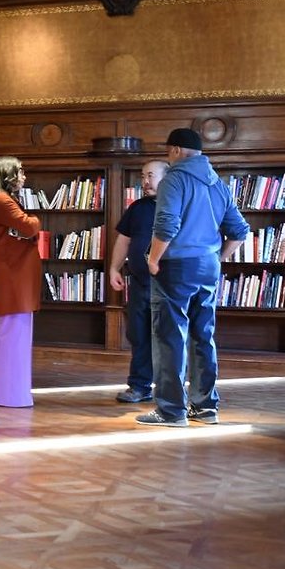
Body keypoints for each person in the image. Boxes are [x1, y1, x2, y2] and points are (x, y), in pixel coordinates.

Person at [137, 128, 249, 427]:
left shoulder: (174, 179)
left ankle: (171, 410)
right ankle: (205, 407)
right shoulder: (218, 183)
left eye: (168, 151)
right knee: (203, 336)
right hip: (207, 267)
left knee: (169, 337)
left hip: (175, 267)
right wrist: (217, 258)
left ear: (175, 150)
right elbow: (239, 231)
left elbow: (166, 224)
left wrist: (153, 259)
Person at [0, 156, 43, 408]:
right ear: (7, 175)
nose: (24, 177)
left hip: (12, 268)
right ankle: (12, 395)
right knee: (15, 329)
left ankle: (12, 393)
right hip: (11, 270)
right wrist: (35, 220)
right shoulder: (1, 200)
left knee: (15, 328)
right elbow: (28, 227)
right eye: (20, 172)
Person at [107, 160, 168, 404]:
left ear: (167, 178)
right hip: (140, 284)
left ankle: (170, 391)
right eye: (143, 176)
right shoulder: (137, 207)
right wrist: (114, 268)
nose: (145, 182)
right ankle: (139, 386)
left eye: (151, 176)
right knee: (139, 335)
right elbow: (124, 241)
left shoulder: (177, 205)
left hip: (168, 286)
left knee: (168, 338)